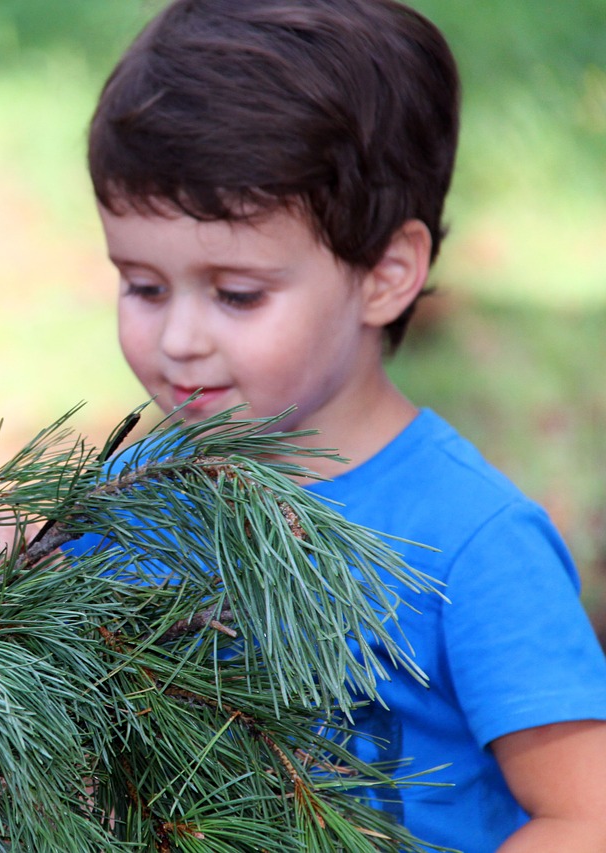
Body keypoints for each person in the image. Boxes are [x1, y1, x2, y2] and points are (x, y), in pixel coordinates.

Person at [81, 0, 606, 850]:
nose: (177, 339)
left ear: (386, 275)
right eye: (143, 285)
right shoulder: (128, 495)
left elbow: (584, 813)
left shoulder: (472, 541)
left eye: (237, 294)